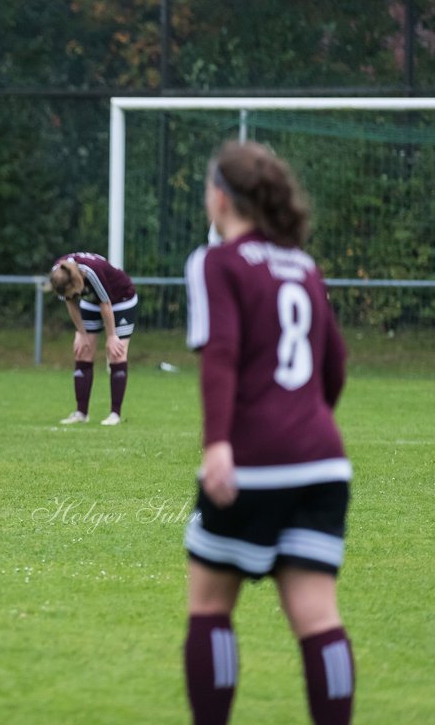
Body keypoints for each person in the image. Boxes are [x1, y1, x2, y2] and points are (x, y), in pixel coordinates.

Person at [182, 140, 353, 725]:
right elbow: (334, 367)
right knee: (318, 616)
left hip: (254, 461)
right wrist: (306, 421)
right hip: (323, 462)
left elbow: (221, 355)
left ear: (220, 197)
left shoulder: (217, 261)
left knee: (209, 606)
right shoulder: (303, 265)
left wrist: (219, 445)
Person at [48, 251, 137, 426]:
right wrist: (81, 333)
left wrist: (111, 336)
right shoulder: (58, 274)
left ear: (77, 281)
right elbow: (70, 301)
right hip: (92, 302)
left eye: (74, 291)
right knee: (83, 351)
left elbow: (106, 304)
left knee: (116, 353)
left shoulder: (91, 272)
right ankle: (81, 413)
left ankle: (115, 414)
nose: (72, 295)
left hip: (120, 299)